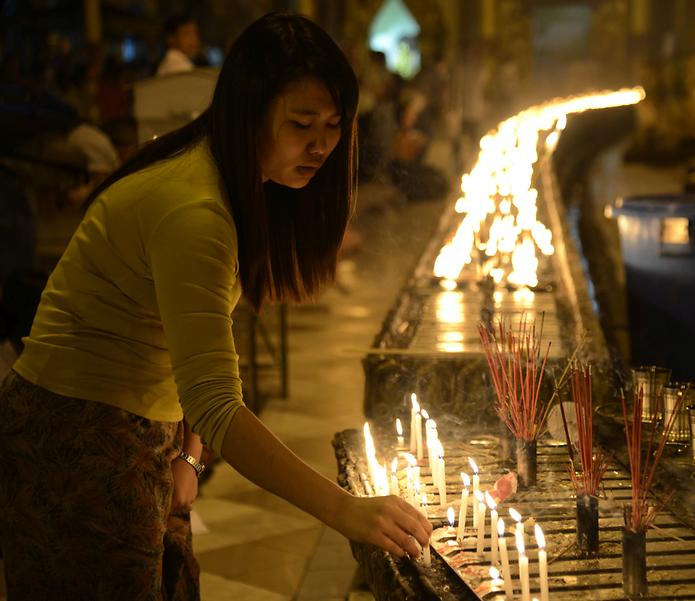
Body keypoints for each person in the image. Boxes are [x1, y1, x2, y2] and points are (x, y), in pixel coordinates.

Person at [0, 11, 431, 600]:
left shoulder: (224, 179)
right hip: (74, 440)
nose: (322, 145)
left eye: (333, 125)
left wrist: (189, 456)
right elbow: (218, 404)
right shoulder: (196, 209)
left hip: (135, 429)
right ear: (248, 112)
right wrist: (346, 511)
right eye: (302, 123)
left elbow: (193, 348)